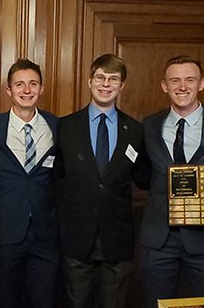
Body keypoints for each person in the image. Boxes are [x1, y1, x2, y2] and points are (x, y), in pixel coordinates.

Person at [140, 56, 204, 308]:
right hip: (158, 239)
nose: (182, 86)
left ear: (202, 84)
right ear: (164, 86)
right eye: (174, 80)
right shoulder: (149, 126)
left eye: (190, 79)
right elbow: (143, 175)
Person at [53, 53, 149, 308]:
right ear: (90, 81)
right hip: (76, 239)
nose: (106, 84)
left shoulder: (136, 130)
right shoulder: (65, 127)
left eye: (113, 79)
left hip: (117, 240)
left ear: (122, 85)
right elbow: (55, 181)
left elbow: (145, 177)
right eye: (101, 77)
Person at [0, 59, 59, 308]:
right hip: (6, 235)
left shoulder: (57, 126)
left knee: (44, 301)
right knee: (7, 301)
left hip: (46, 235)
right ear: (9, 91)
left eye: (33, 84)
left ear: (42, 88)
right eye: (20, 85)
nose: (27, 90)